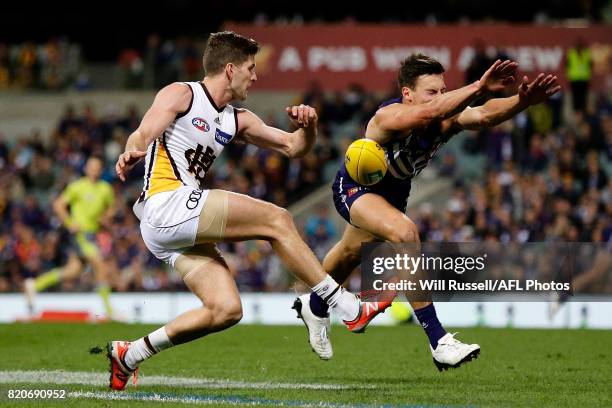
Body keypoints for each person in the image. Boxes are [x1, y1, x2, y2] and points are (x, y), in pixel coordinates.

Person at [108, 31, 391, 391]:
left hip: (173, 221)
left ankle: (129, 355)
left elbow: (292, 147)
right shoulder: (182, 93)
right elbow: (145, 130)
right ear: (229, 69)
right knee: (278, 219)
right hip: (166, 204)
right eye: (251, 68)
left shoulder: (236, 119)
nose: (255, 77)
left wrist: (309, 127)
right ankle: (344, 305)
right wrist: (133, 149)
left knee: (226, 310)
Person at [294, 54, 560, 369]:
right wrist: (479, 86)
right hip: (355, 190)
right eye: (432, 91)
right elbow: (432, 111)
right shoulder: (387, 117)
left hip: (393, 197)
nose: (441, 97)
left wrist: (521, 101)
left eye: (442, 89)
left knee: (350, 253)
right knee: (405, 233)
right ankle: (439, 341)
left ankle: (314, 306)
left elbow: (485, 115)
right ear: (408, 94)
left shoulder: (444, 120)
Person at [24, 156, 115, 317]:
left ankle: (35, 284)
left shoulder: (105, 189)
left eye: (97, 167)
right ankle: (109, 311)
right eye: (91, 166)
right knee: (100, 265)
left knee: (73, 271)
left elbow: (111, 209)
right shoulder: (77, 187)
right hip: (79, 233)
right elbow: (58, 205)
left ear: (101, 170)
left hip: (93, 234)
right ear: (86, 169)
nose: (94, 169)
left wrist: (106, 218)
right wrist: (69, 223)